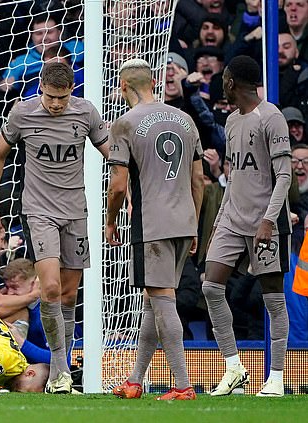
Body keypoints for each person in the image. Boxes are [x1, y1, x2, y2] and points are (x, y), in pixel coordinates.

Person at [0, 61, 109, 394]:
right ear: (41, 88)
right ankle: (61, 371)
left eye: (62, 98)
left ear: (72, 91)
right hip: (38, 211)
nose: (56, 104)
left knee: (68, 295)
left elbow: (111, 152)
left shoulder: (86, 113)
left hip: (76, 212)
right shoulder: (22, 114)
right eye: (51, 97)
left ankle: (59, 372)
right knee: (50, 288)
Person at [106, 58, 204, 401]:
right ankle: (135, 381)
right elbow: (198, 180)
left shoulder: (125, 123)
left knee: (163, 301)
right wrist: (194, 223)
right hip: (183, 222)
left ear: (123, 86)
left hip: (152, 225)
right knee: (153, 300)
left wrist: (109, 220)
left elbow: (118, 186)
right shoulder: (185, 119)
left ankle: (182, 384)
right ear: (153, 83)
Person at [202, 55, 292, 397]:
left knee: (273, 299)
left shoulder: (271, 117)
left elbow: (283, 175)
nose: (221, 82)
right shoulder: (231, 121)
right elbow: (234, 175)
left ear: (232, 82)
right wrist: (218, 220)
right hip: (232, 219)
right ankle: (234, 368)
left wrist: (269, 219)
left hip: (264, 222)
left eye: (224, 77)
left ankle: (278, 377)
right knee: (211, 287)